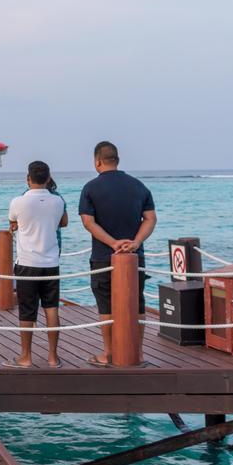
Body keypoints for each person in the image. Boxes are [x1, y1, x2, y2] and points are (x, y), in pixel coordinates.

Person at [79, 141, 156, 366]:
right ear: (118, 160)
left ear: (97, 162)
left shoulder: (90, 188)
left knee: (106, 305)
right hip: (135, 256)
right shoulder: (139, 186)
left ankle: (109, 352)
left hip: (104, 256)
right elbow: (150, 219)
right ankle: (138, 353)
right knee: (137, 304)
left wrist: (113, 243)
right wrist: (135, 242)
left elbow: (88, 222)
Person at [7, 161, 68, 368]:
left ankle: (26, 356)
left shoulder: (18, 201)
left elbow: (13, 222)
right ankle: (52, 357)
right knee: (51, 308)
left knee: (27, 310)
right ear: (49, 178)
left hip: (26, 263)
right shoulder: (58, 201)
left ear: (28, 178)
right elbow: (64, 222)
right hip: (51, 262)